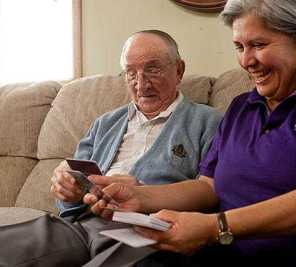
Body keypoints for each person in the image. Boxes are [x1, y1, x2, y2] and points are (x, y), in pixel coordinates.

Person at [85, 1, 296, 266]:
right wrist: (139, 197)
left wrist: (215, 226)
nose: (247, 61)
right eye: (239, 46)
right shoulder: (241, 108)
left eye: (259, 45)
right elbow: (208, 187)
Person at [0, 30, 221, 267]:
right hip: (84, 224)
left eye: (153, 69)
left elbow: (211, 196)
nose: (141, 83)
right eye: (130, 72)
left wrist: (144, 194)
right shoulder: (105, 123)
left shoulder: (209, 122)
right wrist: (68, 190)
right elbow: (71, 199)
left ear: (179, 70)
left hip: (149, 229)